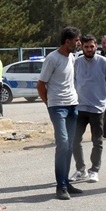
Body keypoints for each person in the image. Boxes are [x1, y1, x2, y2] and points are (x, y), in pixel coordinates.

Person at [37, 27, 83, 200]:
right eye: (77, 40)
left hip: (73, 105)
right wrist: (49, 104)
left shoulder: (71, 57)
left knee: (70, 145)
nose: (79, 43)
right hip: (58, 107)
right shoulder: (52, 58)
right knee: (62, 143)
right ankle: (60, 186)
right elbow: (41, 85)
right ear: (67, 42)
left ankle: (66, 182)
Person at [70, 34, 106, 185]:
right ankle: (80, 169)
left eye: (92, 46)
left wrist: (101, 100)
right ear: (82, 47)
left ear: (96, 46)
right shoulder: (76, 63)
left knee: (97, 141)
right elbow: (73, 82)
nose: (89, 49)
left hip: (97, 108)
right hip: (80, 107)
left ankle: (94, 170)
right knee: (75, 140)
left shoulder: (103, 63)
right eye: (86, 46)